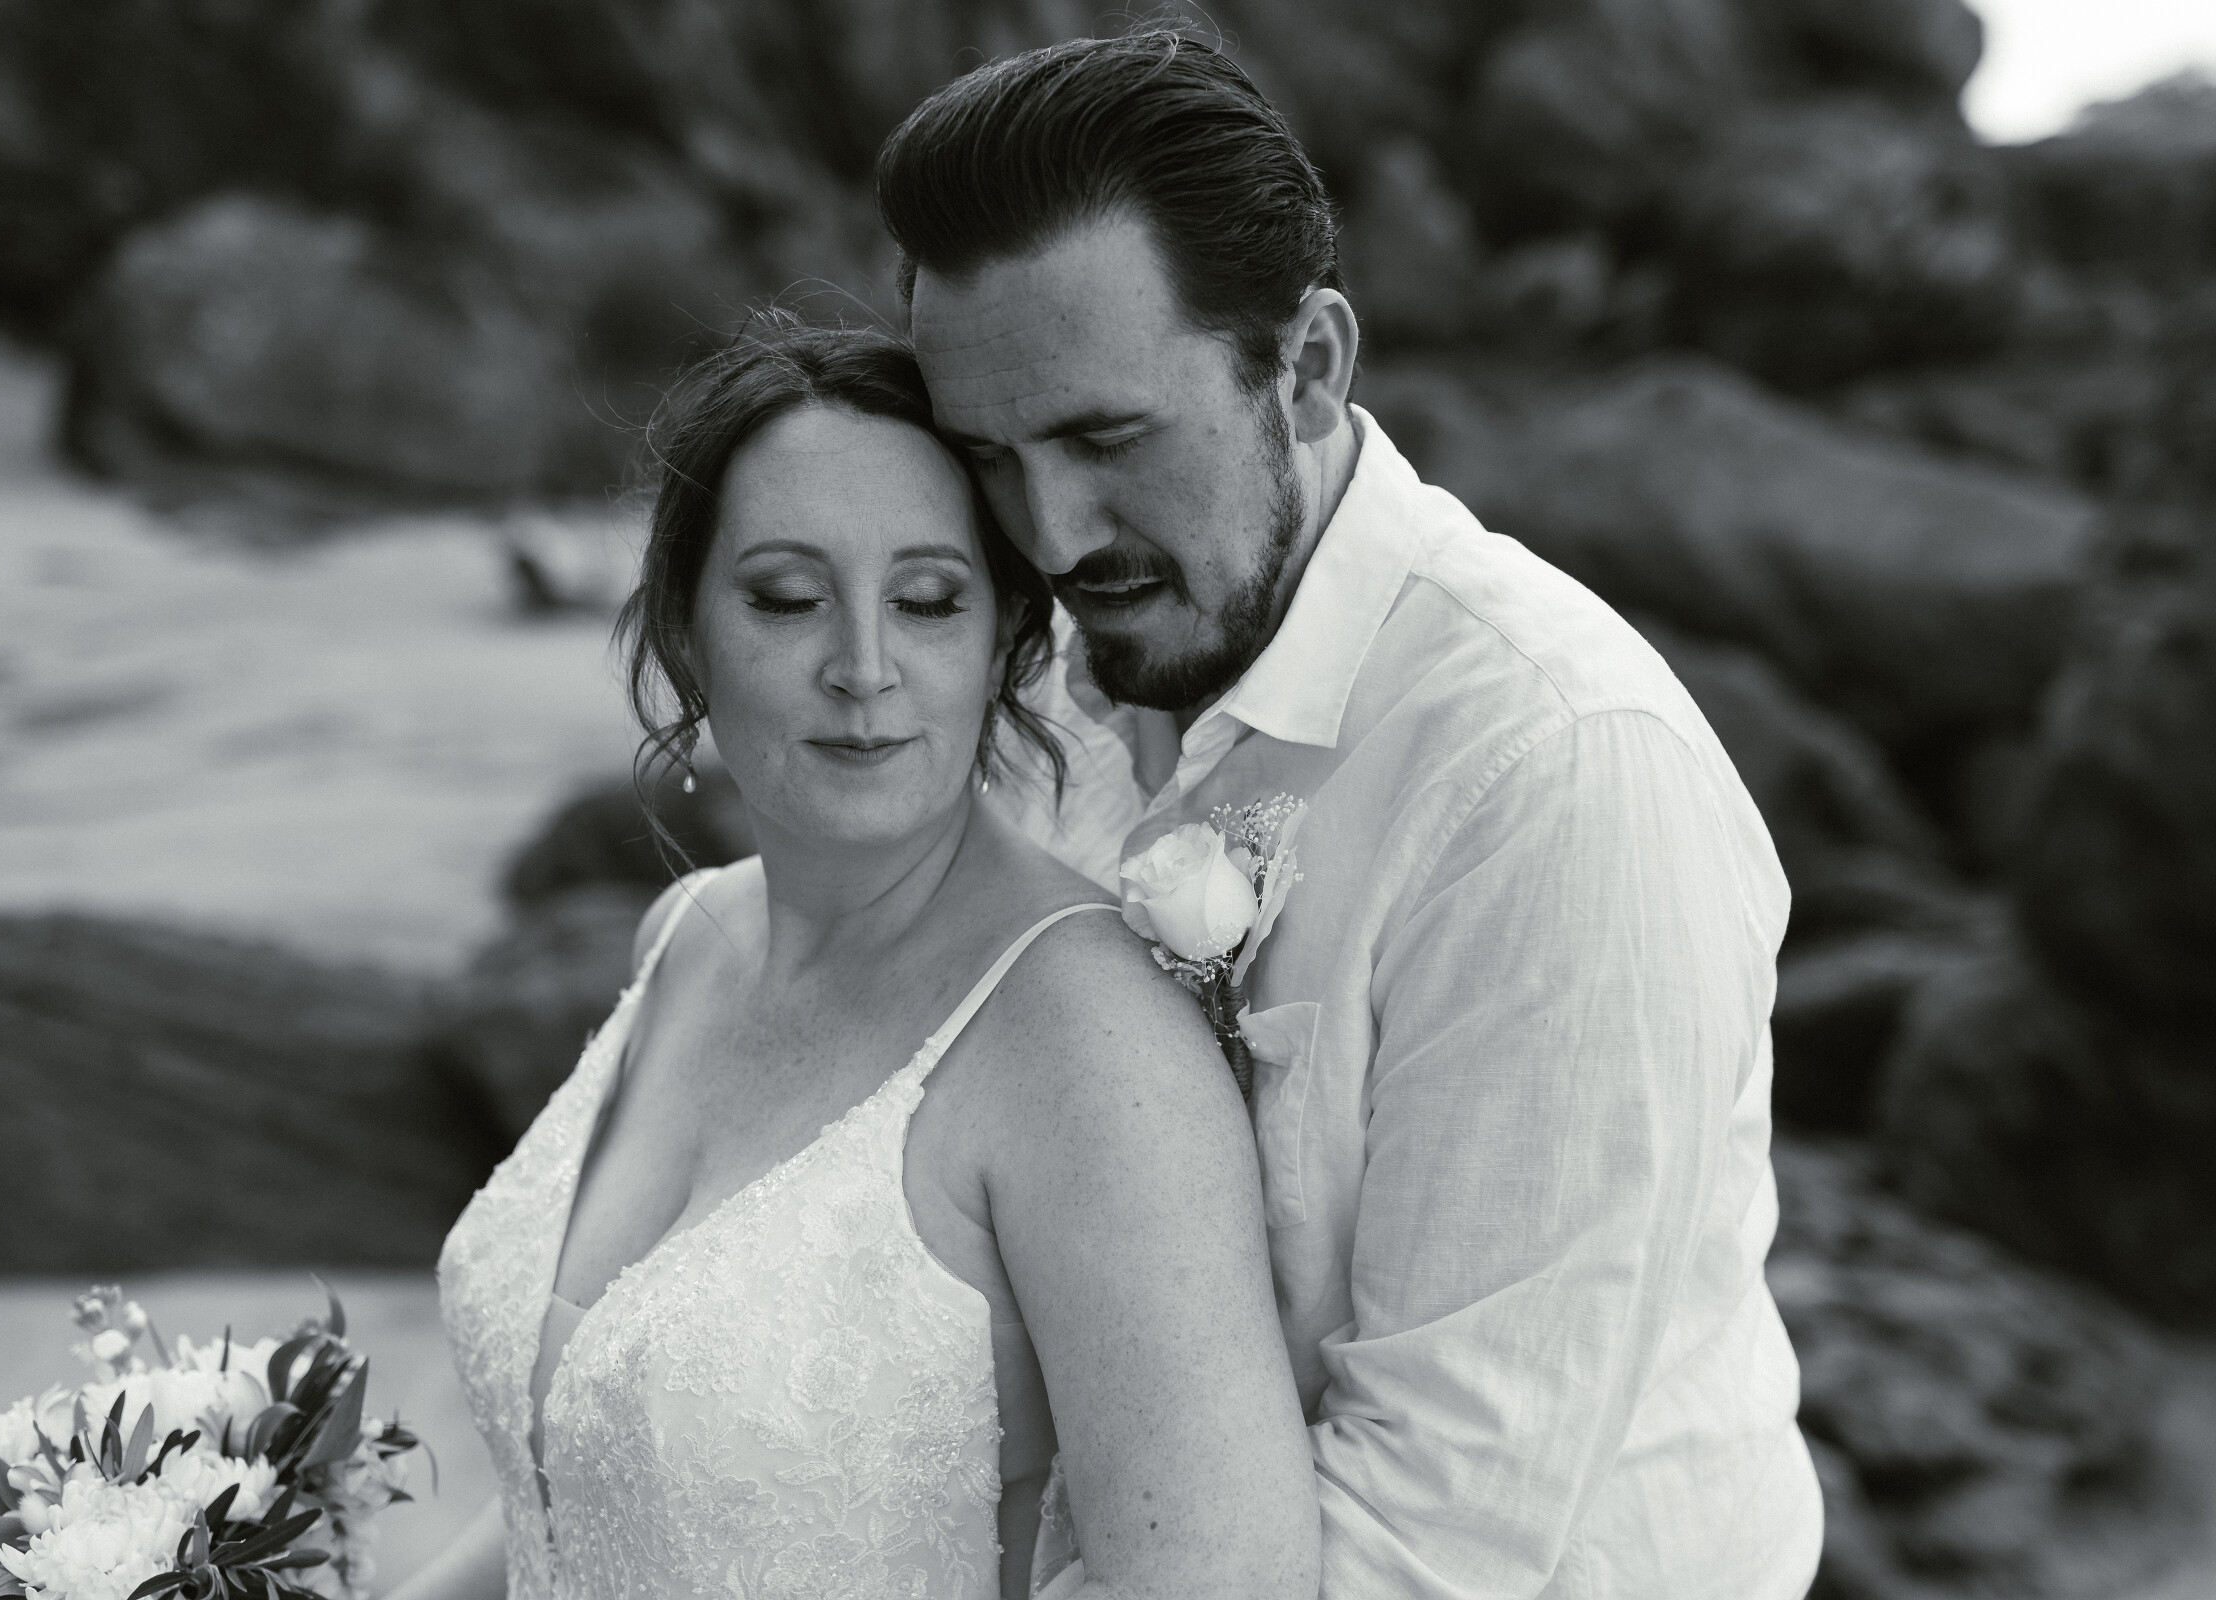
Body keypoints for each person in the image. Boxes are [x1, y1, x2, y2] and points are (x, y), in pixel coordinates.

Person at [877, 30, 1826, 1599]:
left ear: (1310, 368)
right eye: (987, 455)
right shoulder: (1040, 691)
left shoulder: (1556, 774)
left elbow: (1439, 1527)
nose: (1049, 534)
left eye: (1106, 439)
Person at [410, 323, 1319, 1600]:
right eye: (788, 599)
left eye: (928, 601)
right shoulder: (686, 936)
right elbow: (570, 1496)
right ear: (685, 630)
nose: (864, 669)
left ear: (1007, 640)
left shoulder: (1090, 1046)